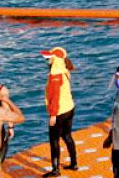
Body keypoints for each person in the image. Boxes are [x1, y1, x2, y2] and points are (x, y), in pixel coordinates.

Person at [40, 47, 77, 177]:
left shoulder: (54, 77)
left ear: (55, 60)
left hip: (59, 112)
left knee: (54, 140)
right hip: (69, 108)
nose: (47, 61)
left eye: (50, 59)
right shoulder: (64, 71)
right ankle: (74, 163)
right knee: (67, 136)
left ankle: (55, 170)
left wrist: (53, 115)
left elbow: (54, 96)